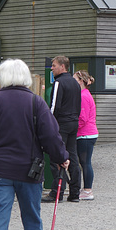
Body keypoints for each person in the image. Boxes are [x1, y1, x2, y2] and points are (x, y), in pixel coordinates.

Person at [0, 59, 69, 230]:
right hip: (29, 171)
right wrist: (61, 157)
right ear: (25, 78)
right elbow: (51, 136)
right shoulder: (36, 102)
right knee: (32, 219)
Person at [43, 55, 82, 203]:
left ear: (62, 67)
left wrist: (49, 124)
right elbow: (78, 105)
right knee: (72, 156)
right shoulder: (75, 83)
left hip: (61, 124)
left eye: (54, 65)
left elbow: (54, 106)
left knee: (57, 157)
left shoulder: (59, 83)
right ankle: (75, 192)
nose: (52, 68)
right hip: (74, 122)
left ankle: (57, 192)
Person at [73, 70, 98, 200]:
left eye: (75, 80)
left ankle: (88, 190)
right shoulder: (85, 94)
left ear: (81, 81)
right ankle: (86, 189)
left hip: (85, 134)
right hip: (87, 134)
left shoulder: (83, 96)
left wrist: (72, 128)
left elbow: (82, 119)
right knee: (84, 162)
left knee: (85, 162)